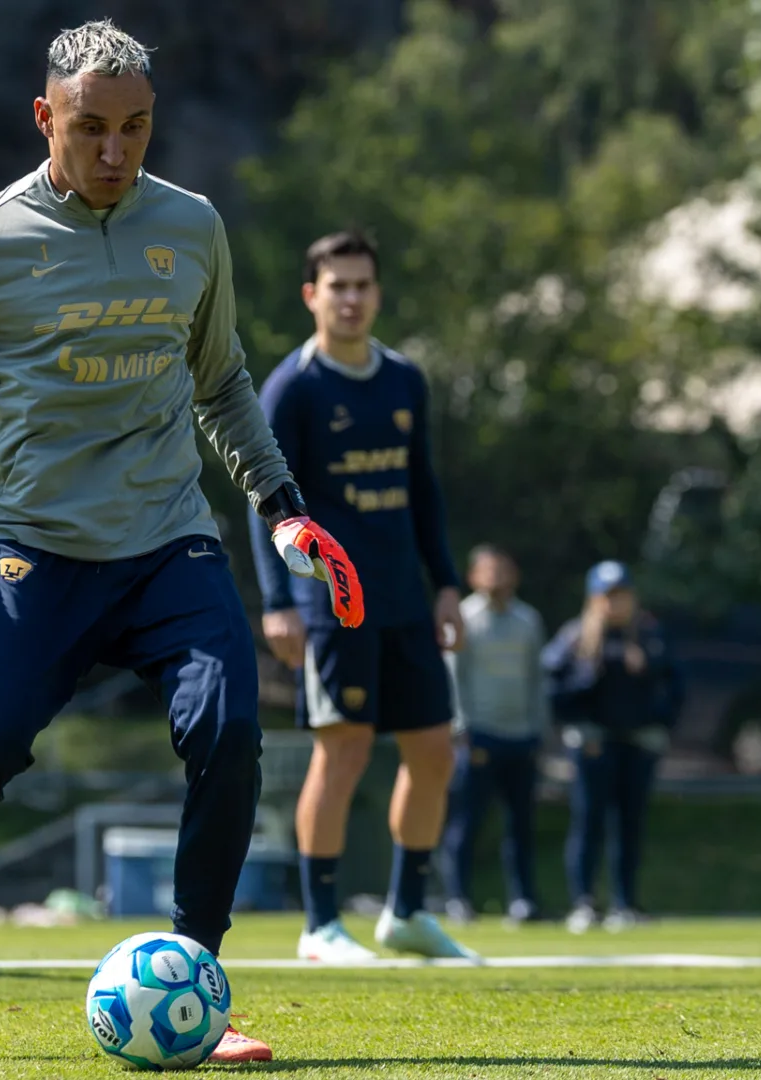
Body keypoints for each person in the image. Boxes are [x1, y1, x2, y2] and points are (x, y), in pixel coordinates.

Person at [0, 20, 362, 1064]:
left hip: (167, 543)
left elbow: (225, 382)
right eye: (91, 127)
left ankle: (197, 975)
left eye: (136, 128)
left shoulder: (191, 229)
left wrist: (281, 502)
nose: (115, 150)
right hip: (35, 549)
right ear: (44, 119)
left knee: (230, 724)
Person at [250, 230, 473, 962]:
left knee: (435, 752)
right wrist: (280, 601)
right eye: (336, 286)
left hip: (407, 600)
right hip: (332, 607)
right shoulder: (294, 387)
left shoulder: (405, 380)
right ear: (312, 295)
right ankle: (320, 926)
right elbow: (270, 501)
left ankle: (406, 913)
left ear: (378, 294)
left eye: (362, 285)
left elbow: (425, 494)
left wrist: (447, 585)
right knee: (341, 753)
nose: (350, 298)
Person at [542, 560, 684, 933]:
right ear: (594, 599)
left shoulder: (650, 634)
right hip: (593, 744)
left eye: (621, 595)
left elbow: (675, 686)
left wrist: (658, 722)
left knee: (629, 825)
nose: (615, 603)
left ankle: (626, 904)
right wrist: (589, 684)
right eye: (608, 596)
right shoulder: (576, 637)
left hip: (638, 743)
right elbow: (554, 688)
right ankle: (584, 903)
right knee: (588, 822)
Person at [439, 544, 549, 925]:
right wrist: (460, 728)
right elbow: (454, 677)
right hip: (479, 736)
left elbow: (538, 678)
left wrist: (540, 727)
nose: (497, 577)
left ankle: (523, 901)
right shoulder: (464, 617)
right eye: (489, 570)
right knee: (466, 823)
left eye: (504, 569)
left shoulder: (528, 620)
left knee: (520, 825)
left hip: (521, 735)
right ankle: (457, 899)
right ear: (473, 576)